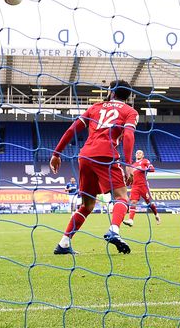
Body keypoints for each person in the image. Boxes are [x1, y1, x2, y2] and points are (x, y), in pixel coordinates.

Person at [50, 80, 138, 255]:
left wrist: (56, 153)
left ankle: (64, 243)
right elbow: (128, 135)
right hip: (107, 156)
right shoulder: (130, 111)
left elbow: (72, 129)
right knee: (121, 197)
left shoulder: (95, 107)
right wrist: (128, 165)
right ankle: (114, 230)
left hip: (85, 156)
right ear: (128, 96)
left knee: (87, 205)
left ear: (111, 92)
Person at [123, 150, 160, 227]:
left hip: (143, 185)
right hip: (135, 186)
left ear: (143, 155)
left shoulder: (145, 161)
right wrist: (128, 181)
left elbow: (152, 169)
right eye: (137, 153)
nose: (138, 154)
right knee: (133, 202)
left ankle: (156, 214)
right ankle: (131, 220)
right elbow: (130, 178)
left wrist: (144, 169)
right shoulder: (133, 165)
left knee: (149, 203)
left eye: (140, 153)